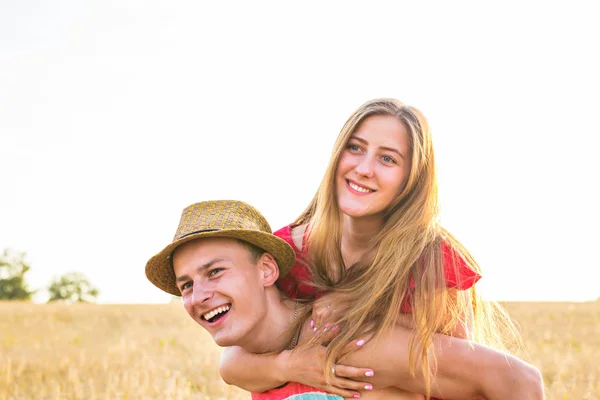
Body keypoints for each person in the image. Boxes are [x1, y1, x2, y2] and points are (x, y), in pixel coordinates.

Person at [219, 99, 532, 399]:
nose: (364, 168)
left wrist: (359, 310)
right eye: (355, 148)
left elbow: (456, 370)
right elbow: (233, 362)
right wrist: (289, 365)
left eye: (388, 158)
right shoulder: (285, 252)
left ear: (410, 179)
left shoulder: (433, 258)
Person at [145, 200, 544, 399]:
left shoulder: (344, 343)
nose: (200, 295)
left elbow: (519, 379)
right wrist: (284, 364)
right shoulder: (256, 358)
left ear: (267, 271)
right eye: (186, 285)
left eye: (215, 272)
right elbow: (229, 368)